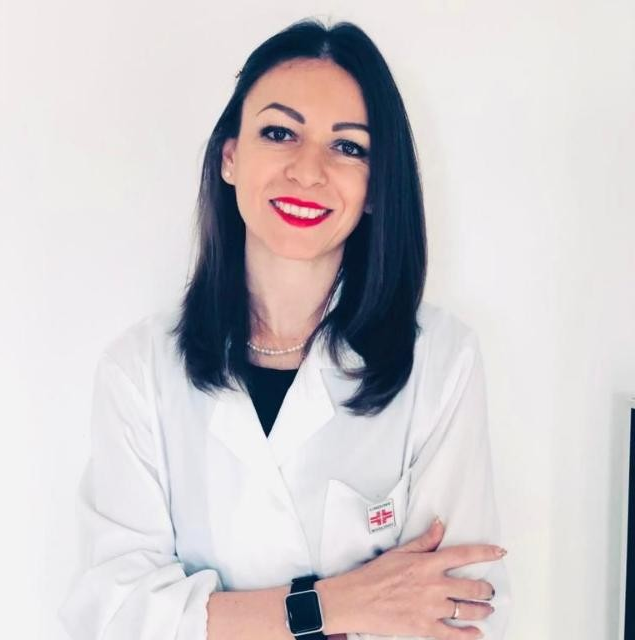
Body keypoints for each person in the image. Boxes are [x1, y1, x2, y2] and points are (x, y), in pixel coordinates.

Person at [58, 17, 511, 640]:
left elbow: (460, 610)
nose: (308, 170)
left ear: (376, 187)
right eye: (279, 133)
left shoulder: (439, 361)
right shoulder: (139, 370)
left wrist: (205, 618)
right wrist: (337, 604)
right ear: (231, 158)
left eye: (348, 147)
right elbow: (115, 616)